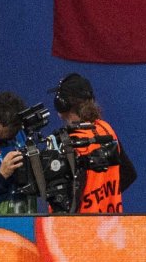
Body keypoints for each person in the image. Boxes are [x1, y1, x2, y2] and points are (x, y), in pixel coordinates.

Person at [50, 72, 136, 214]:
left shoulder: (67, 141)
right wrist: (103, 198)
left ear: (62, 104)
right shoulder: (106, 129)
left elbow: (64, 199)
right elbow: (129, 174)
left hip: (79, 224)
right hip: (111, 221)